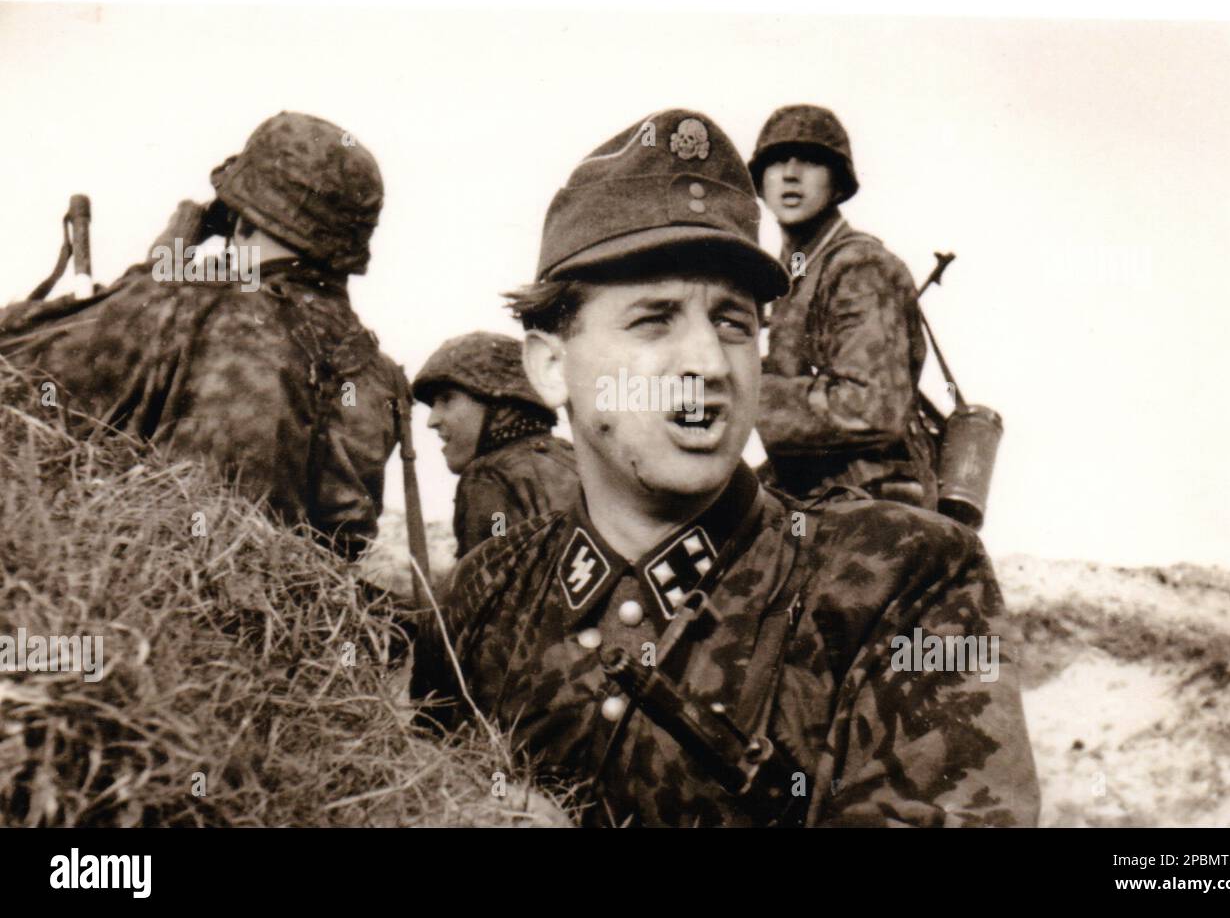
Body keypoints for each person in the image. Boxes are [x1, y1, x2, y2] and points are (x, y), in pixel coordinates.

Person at [410, 109, 1039, 827]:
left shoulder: (902, 583)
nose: (709, 364)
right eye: (654, 320)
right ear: (553, 367)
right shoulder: (477, 600)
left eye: (734, 323)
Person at [0, 112, 405, 561]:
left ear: (238, 217)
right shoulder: (378, 371)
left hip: (166, 600)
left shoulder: (194, 305)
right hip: (299, 619)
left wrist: (158, 272)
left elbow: (19, 355)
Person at [749, 104, 939, 508]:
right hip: (818, 494)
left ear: (838, 183)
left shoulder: (860, 267)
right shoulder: (795, 272)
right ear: (761, 182)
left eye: (812, 160)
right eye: (777, 160)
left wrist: (741, 394)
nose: (791, 173)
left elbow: (869, 409)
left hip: (875, 503)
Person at [412, 331, 579, 559]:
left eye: (447, 399)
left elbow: (488, 586)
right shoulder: (573, 460)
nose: (433, 420)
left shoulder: (487, 475)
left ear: (501, 406)